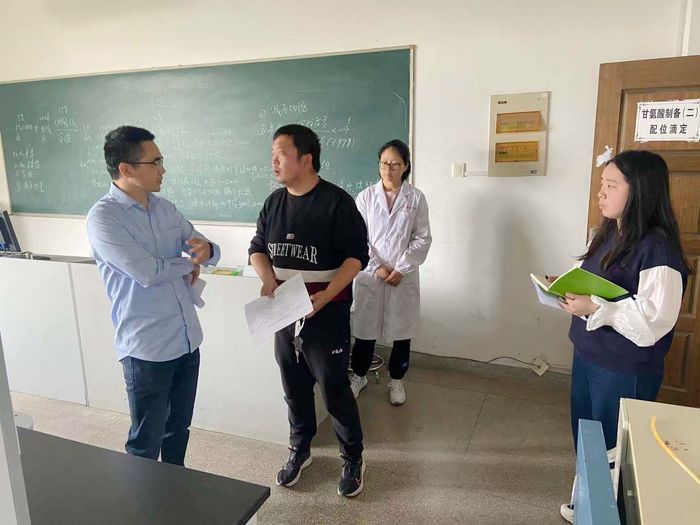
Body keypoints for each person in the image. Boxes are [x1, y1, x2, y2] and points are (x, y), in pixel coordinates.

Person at [555, 150, 688, 523]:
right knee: (589, 438)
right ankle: (588, 502)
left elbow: (654, 321)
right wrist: (566, 288)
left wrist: (596, 307)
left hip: (623, 368)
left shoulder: (658, 249)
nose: (601, 193)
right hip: (590, 355)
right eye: (602, 184)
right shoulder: (611, 232)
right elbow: (595, 280)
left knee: (615, 449)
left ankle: (607, 514)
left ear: (640, 192)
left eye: (611, 186)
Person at [87, 125, 220, 466]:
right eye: (155, 162)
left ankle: (175, 488)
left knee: (178, 429)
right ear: (126, 169)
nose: (163, 169)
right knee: (145, 441)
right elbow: (147, 272)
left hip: (187, 339)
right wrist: (187, 262)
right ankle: (143, 498)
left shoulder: (165, 209)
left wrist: (206, 251)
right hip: (146, 347)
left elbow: (202, 245)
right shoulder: (104, 218)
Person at [249, 124, 369, 497]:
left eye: (281, 154)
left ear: (306, 158)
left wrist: (329, 293)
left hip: (326, 312)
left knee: (334, 388)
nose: (274, 161)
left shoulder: (337, 203)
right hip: (284, 313)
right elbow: (257, 248)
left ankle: (353, 456)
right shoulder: (274, 203)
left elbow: (356, 257)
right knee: (294, 385)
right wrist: (267, 278)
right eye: (272, 154)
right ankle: (300, 449)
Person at [349, 139, 432, 405]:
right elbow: (358, 238)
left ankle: (397, 380)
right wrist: (377, 266)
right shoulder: (365, 197)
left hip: (402, 276)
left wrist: (402, 268)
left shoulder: (416, 198)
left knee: (401, 332)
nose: (388, 169)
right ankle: (359, 376)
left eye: (395, 164)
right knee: (364, 331)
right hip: (370, 274)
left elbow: (422, 238)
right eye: (384, 163)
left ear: (405, 166)